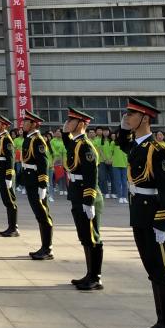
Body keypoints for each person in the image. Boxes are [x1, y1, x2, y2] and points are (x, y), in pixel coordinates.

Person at [116, 97, 165, 328]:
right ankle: (161, 321)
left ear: (145, 118)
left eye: (131, 115)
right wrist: (123, 127)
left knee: (164, 270)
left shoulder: (158, 150)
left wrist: (163, 221)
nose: (127, 117)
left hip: (154, 215)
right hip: (139, 214)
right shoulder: (138, 146)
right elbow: (122, 142)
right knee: (152, 270)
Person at [62, 108, 103, 290]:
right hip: (77, 193)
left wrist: (89, 201)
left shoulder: (86, 146)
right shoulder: (76, 143)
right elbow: (68, 146)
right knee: (85, 236)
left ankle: (96, 277)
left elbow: (91, 175)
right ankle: (89, 274)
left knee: (92, 237)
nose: (67, 123)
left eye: (71, 121)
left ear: (80, 124)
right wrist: (65, 131)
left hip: (87, 195)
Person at [20, 110, 54, 260]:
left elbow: (43, 163)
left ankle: (48, 248)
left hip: (36, 180)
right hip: (30, 179)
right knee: (39, 214)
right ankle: (44, 246)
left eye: (26, 122)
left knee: (43, 214)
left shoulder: (38, 140)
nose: (23, 124)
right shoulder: (29, 138)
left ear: (34, 124)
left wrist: (43, 184)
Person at [0, 115, 18, 236]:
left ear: (3, 125)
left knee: (10, 200)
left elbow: (10, 158)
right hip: (0, 172)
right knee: (6, 201)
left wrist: (9, 176)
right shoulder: (0, 137)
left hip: (5, 173)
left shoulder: (7, 139)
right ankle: (11, 226)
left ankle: (13, 228)